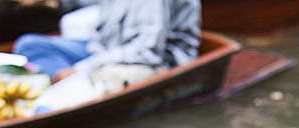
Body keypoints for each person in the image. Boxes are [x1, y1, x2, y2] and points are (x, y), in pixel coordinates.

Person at [12, 0, 200, 85]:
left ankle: (67, 85)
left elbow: (146, 51)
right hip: (105, 48)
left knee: (102, 79)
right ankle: (64, 84)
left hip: (151, 62)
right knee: (29, 45)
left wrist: (80, 69)